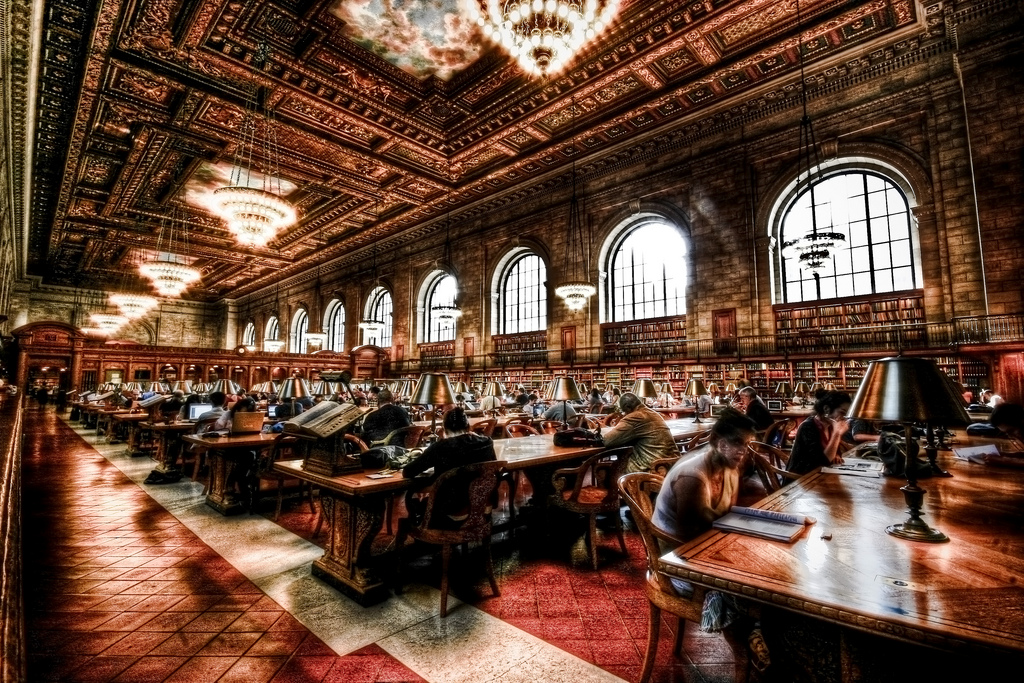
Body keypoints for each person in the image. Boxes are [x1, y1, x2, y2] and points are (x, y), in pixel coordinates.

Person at [651, 408, 764, 653]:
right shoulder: (693, 476)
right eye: (736, 442)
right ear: (716, 441)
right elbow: (691, 538)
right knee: (754, 590)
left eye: (746, 444)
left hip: (708, 549)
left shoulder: (730, 469)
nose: (743, 451)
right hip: (678, 563)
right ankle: (748, 650)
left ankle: (765, 638)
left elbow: (724, 516)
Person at [402, 407, 497, 526]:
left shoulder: (441, 447)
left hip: (452, 510)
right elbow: (493, 467)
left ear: (444, 428)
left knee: (416, 503)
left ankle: (422, 534)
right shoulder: (487, 442)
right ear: (468, 426)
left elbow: (408, 471)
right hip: (483, 505)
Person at [601, 392, 678, 472]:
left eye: (624, 411)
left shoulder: (634, 417)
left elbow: (608, 441)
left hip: (653, 469)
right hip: (672, 466)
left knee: (609, 470)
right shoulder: (653, 413)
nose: (624, 414)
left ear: (627, 407)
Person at [786, 390, 852, 476]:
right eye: (842, 412)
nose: (844, 418)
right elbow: (822, 462)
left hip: (821, 474)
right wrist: (837, 434)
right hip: (801, 478)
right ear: (826, 409)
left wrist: (836, 455)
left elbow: (836, 452)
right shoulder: (808, 427)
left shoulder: (831, 425)